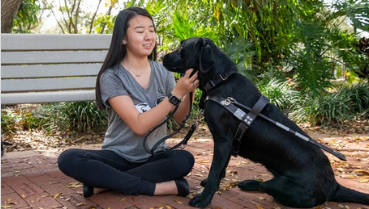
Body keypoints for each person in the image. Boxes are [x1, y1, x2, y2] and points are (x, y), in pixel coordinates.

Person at [58, 7, 199, 198]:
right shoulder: (111, 77)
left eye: (151, 30)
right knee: (68, 158)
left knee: (184, 159)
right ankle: (156, 188)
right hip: (118, 157)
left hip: (155, 156)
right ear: (123, 38)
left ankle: (105, 184)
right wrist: (175, 94)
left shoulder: (162, 71)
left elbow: (179, 117)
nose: (149, 36)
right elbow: (139, 125)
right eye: (140, 31)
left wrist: (189, 91)